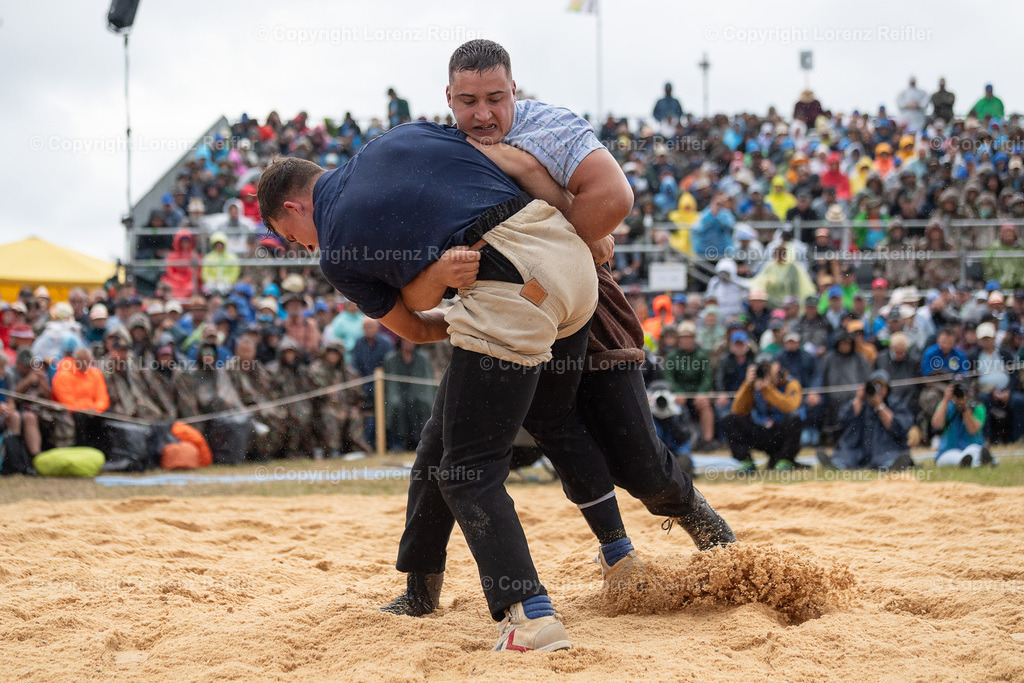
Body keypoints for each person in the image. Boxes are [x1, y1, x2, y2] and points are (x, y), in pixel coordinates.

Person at [382, 40, 734, 641]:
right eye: (468, 101)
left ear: (515, 90)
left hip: (582, 308)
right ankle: (420, 588)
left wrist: (568, 237)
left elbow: (614, 199)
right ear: (449, 99)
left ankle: (714, 539)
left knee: (640, 464)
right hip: (498, 313)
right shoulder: (443, 151)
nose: (483, 113)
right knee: (443, 450)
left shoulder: (554, 127)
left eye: (495, 97)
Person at [817, 370, 915, 470]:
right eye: (874, 385)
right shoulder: (861, 403)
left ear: (887, 389)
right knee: (845, 456)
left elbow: (900, 427)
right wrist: (858, 400)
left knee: (889, 457)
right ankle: (836, 465)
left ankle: (891, 466)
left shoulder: (894, 404)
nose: (877, 389)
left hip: (885, 448)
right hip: (858, 448)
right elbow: (842, 421)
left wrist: (880, 406)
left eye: (881, 386)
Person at [721, 354, 803, 471]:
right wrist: (747, 385)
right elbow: (737, 410)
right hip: (760, 431)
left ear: (777, 366)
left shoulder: (790, 383)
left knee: (795, 418)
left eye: (768, 367)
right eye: (762, 368)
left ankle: (785, 460)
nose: (765, 371)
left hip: (780, 432)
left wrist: (767, 389)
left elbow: (791, 406)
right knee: (728, 419)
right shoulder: (753, 384)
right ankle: (746, 462)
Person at [382, 339, 435, 451]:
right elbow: (391, 384)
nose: (408, 343)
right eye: (405, 341)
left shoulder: (423, 358)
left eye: (411, 340)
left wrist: (417, 396)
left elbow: (426, 381)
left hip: (418, 393)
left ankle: (420, 441)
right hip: (398, 393)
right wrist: (399, 397)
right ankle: (399, 442)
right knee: (396, 405)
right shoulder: (391, 359)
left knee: (423, 405)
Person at [932, 383, 993, 467]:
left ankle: (975, 460)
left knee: (974, 449)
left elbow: (973, 430)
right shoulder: (946, 406)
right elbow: (936, 425)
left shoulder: (978, 407)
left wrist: (965, 409)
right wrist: (945, 400)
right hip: (949, 450)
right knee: (954, 456)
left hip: (971, 447)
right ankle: (971, 461)